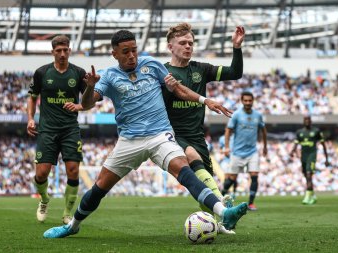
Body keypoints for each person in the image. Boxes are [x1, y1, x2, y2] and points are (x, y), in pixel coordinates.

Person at [43, 30, 248, 239]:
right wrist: (90, 86)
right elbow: (86, 104)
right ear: (114, 54)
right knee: (99, 188)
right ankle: (73, 226)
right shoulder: (109, 76)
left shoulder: (151, 65)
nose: (132, 55)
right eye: (126, 52)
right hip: (129, 141)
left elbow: (178, 90)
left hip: (160, 135)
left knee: (184, 170)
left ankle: (224, 213)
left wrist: (205, 100)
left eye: (134, 50)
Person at [163, 23, 245, 233]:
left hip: (197, 136)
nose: (188, 46)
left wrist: (236, 48)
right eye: (182, 43)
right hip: (172, 135)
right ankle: (224, 205)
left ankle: (218, 221)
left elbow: (235, 72)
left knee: (203, 191)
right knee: (192, 157)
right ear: (170, 46)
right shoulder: (162, 73)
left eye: (190, 43)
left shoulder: (201, 69)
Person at [27, 35, 87, 224]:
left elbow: (90, 99)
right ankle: (44, 200)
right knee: (41, 173)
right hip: (47, 130)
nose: (62, 54)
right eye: (58, 50)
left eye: (65, 50)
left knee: (73, 170)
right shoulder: (42, 73)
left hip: (70, 129)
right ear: (52, 52)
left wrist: (80, 104)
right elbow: (32, 97)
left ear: (70, 50)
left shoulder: (78, 73)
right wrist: (30, 118)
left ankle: (68, 213)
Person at [222, 91, 267, 211]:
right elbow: (228, 130)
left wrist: (265, 146)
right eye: (245, 100)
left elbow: (263, 130)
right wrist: (226, 147)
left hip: (252, 152)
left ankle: (251, 203)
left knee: (254, 176)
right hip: (237, 152)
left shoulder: (258, 115)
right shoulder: (236, 115)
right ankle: (221, 196)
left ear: (253, 101)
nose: (248, 103)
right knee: (231, 179)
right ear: (242, 101)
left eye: (250, 100)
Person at [290, 116, 329, 205]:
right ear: (303, 122)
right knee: (306, 175)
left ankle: (307, 197)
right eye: (305, 120)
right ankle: (312, 195)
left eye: (308, 120)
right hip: (303, 156)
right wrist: (292, 151)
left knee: (308, 175)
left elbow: (323, 145)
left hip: (312, 155)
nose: (307, 121)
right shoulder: (300, 132)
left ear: (311, 121)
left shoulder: (316, 131)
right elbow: (296, 144)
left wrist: (327, 158)